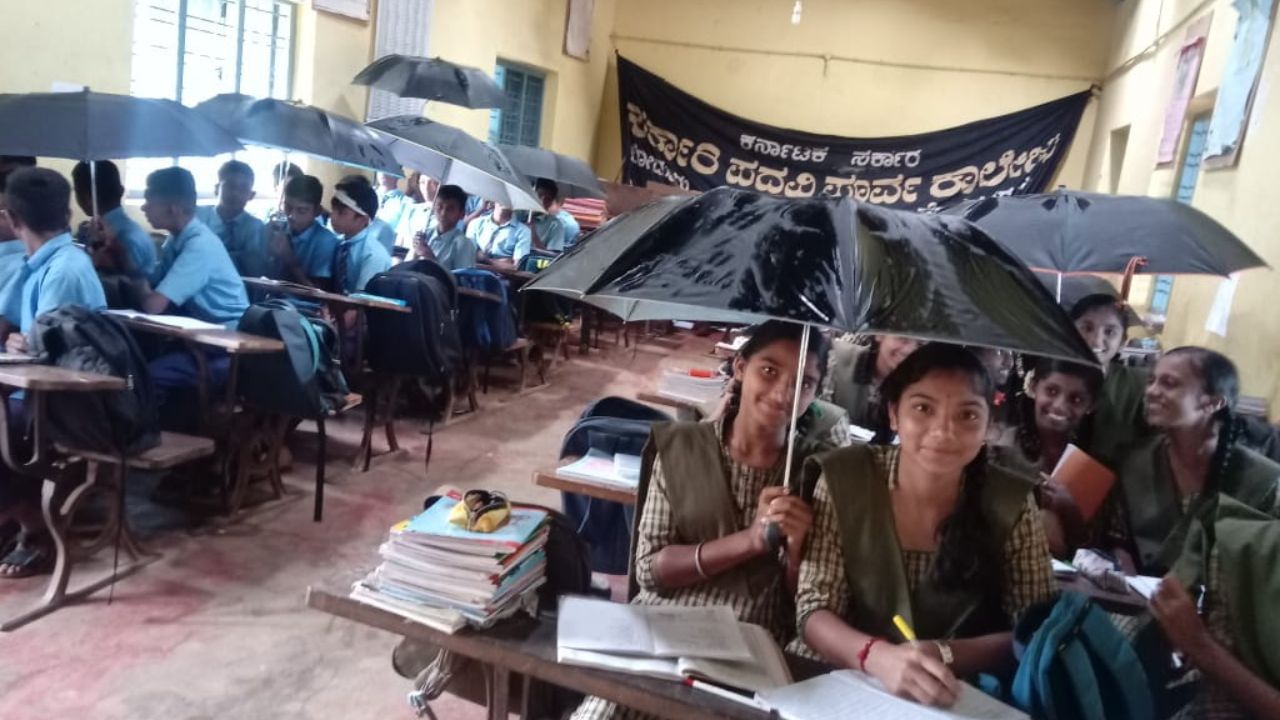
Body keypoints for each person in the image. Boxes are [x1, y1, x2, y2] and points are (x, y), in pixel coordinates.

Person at [570, 322, 850, 720]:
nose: (784, 392)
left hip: (752, 646)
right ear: (739, 367)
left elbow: (808, 608)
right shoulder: (683, 448)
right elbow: (650, 571)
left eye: (804, 382)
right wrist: (751, 541)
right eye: (769, 370)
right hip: (664, 632)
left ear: (816, 393)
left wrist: (794, 552)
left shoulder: (815, 473)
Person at [796, 343, 1057, 708]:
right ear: (893, 414)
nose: (943, 431)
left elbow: (1040, 630)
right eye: (923, 408)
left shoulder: (1011, 502)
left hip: (958, 697)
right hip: (846, 684)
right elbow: (813, 611)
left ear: (988, 425)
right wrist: (877, 657)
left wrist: (944, 654)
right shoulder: (845, 478)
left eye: (967, 415)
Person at [0, 168, 107, 578]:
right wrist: (21, 343)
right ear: (66, 212)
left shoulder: (64, 269)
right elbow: (41, 339)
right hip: (45, 389)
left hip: (73, 401)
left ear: (11, 218)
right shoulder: (44, 263)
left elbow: (51, 361)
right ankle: (14, 517)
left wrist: (27, 346)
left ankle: (37, 529)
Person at [1100, 347, 1280, 576]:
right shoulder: (1135, 460)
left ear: (1213, 403)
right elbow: (1119, 541)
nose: (1152, 391)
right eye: (1152, 381)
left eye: (1169, 383)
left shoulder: (1263, 482)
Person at [990, 357, 1104, 556]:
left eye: (1076, 399)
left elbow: (1093, 549)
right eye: (1051, 391)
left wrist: (1069, 509)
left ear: (1091, 405)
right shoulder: (1001, 448)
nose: (1059, 405)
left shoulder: (1093, 467)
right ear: (1033, 387)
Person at [1070, 293, 1148, 466]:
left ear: (1122, 342)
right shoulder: (1048, 378)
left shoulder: (1140, 387)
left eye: (1110, 332)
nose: (1096, 341)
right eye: (1087, 328)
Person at [820, 334, 922, 438]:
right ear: (880, 335)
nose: (909, 350)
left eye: (919, 344)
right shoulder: (837, 359)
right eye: (902, 339)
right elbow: (818, 415)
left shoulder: (920, 386)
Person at [71, 160, 158, 280]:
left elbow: (120, 289)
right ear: (121, 191)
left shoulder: (122, 240)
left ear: (86, 197)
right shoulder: (132, 231)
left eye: (75, 191)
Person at [196, 159, 268, 277]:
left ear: (251, 195)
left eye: (243, 188)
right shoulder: (196, 216)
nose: (235, 193)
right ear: (216, 189)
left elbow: (257, 271)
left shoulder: (256, 227)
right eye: (230, 186)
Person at [266, 174, 338, 287]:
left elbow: (318, 293)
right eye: (287, 207)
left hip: (303, 304)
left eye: (302, 211)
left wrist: (290, 260)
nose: (291, 216)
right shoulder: (279, 229)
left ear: (317, 211)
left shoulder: (326, 241)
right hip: (270, 299)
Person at [328, 175, 391, 293]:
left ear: (363, 219)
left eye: (341, 212)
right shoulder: (338, 243)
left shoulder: (373, 255)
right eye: (333, 209)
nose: (333, 216)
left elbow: (362, 301)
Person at [411, 184, 478, 271]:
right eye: (439, 206)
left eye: (450, 209)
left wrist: (429, 257)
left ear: (461, 214)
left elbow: (462, 281)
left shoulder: (463, 244)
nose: (443, 213)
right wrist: (415, 251)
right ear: (434, 207)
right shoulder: (425, 234)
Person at [469, 202, 532, 269]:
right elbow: (467, 254)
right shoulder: (476, 223)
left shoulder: (523, 231)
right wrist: (502, 263)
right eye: (503, 197)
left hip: (502, 277)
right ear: (493, 201)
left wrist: (486, 260)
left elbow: (517, 267)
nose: (505, 201)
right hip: (472, 272)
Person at [395, 173, 441, 252]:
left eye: (432, 183)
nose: (426, 188)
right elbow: (399, 242)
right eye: (422, 182)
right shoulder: (412, 209)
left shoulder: (446, 217)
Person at [528, 178, 569, 253]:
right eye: (539, 196)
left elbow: (552, 257)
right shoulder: (518, 215)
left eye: (547, 199)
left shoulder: (555, 225)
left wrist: (534, 235)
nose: (542, 201)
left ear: (551, 202)